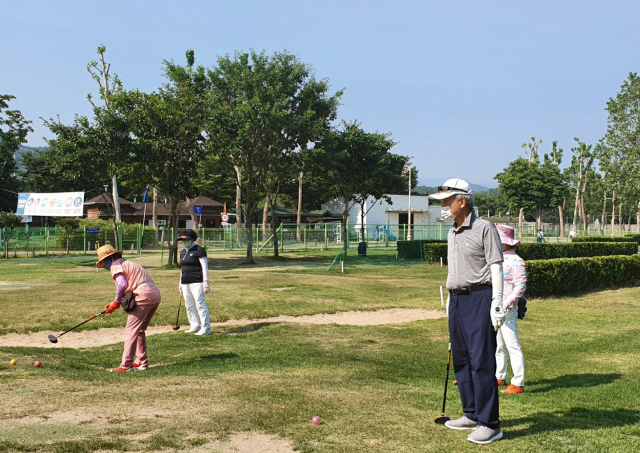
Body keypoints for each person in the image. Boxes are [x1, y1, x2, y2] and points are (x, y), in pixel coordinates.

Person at [429, 178, 506, 445]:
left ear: (462, 201)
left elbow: (496, 267)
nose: (443, 206)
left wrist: (498, 302)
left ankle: (490, 424)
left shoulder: (485, 228)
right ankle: (471, 414)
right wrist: (451, 303)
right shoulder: (452, 232)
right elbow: (455, 273)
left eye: (447, 201)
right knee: (462, 359)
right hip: (458, 300)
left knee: (481, 361)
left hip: (480, 298)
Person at [96, 244, 161, 372]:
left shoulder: (115, 265)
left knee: (131, 331)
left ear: (107, 259)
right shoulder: (126, 263)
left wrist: (115, 303)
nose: (104, 266)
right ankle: (142, 362)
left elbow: (122, 284)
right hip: (154, 294)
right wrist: (116, 303)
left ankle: (126, 365)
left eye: (103, 262)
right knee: (140, 330)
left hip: (142, 295)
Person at [495, 225, 526, 394]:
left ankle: (518, 382)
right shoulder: (497, 259)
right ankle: (500, 376)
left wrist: (507, 303)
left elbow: (520, 286)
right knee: (498, 343)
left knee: (512, 344)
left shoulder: (516, 261)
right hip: (495, 307)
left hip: (508, 308)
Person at [177, 229, 211, 335]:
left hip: (197, 282)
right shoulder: (183, 252)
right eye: (182, 241)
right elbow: (182, 269)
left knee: (200, 304)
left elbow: (204, 267)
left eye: (186, 240)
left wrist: (205, 282)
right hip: (185, 282)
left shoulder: (199, 250)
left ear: (192, 239)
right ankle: (195, 325)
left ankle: (206, 327)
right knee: (189, 305)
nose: (184, 243)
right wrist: (180, 283)